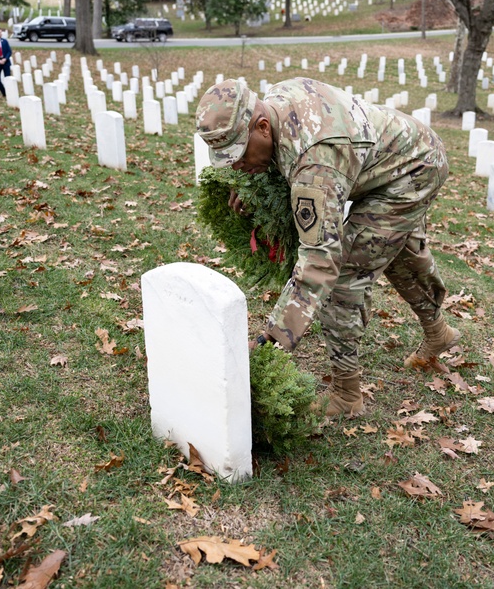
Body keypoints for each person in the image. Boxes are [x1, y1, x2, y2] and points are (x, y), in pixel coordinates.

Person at [195, 77, 460, 418]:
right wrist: (249, 182)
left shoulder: (315, 165)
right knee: (394, 254)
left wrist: (272, 340)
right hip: (395, 152)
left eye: (239, 154)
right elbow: (278, 152)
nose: (235, 165)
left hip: (413, 169)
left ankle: (346, 395)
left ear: (262, 127)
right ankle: (438, 332)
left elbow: (320, 262)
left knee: (347, 276)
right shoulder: (273, 101)